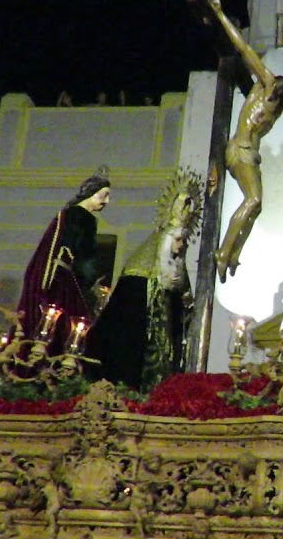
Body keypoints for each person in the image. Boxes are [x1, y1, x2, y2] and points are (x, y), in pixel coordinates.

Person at [190, 0, 283, 282]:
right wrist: (218, 12)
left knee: (257, 206)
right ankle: (222, 252)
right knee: (253, 201)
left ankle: (233, 254)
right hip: (239, 150)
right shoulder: (266, 83)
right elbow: (243, 49)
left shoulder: (279, 106)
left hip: (250, 155)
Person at [86, 171, 201, 392]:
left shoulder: (176, 280)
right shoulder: (137, 276)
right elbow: (125, 326)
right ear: (165, 241)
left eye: (184, 241)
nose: (181, 247)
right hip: (133, 361)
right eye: (178, 240)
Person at [16, 166, 111, 350]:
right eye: (104, 195)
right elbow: (85, 255)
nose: (107, 201)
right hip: (62, 281)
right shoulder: (84, 217)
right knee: (72, 327)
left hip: (54, 276)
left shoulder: (67, 213)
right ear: (91, 193)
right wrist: (91, 283)